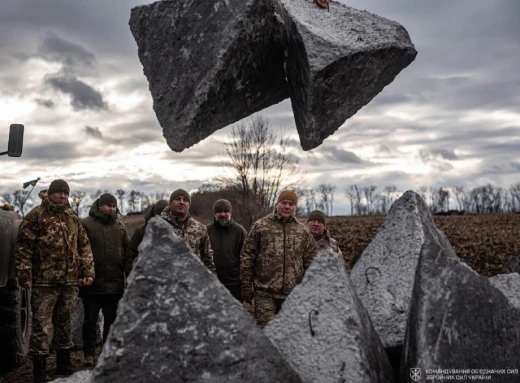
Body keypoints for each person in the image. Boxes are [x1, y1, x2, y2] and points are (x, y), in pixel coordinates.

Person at [15, 179, 95, 382]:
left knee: (65, 322)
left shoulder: (72, 217)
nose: (63, 197)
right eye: (59, 193)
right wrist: (24, 275)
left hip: (69, 282)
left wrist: (88, 272)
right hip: (43, 282)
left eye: (66, 194)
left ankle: (63, 363)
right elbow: (24, 248)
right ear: (50, 193)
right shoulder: (36, 216)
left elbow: (83, 246)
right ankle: (39, 369)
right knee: (41, 326)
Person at [240, 190, 317, 327]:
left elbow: (312, 261)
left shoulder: (303, 231)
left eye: (291, 204)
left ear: (295, 207)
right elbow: (247, 255)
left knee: (290, 334)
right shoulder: (261, 226)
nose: (287, 207)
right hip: (265, 292)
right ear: (277, 204)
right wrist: (246, 284)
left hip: (293, 295)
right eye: (284, 203)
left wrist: (312, 287)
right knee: (267, 333)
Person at [80, 193, 130, 368]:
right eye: (108, 205)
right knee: (90, 321)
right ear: (99, 206)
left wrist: (128, 276)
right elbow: (79, 251)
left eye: (114, 206)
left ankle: (106, 354)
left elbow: (127, 254)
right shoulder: (85, 224)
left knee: (112, 321)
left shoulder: (120, 227)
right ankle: (89, 354)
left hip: (115, 284)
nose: (111, 208)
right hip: (92, 283)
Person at [160, 189, 216, 273]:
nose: (181, 202)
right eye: (178, 199)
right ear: (171, 203)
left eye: (185, 200)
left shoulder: (200, 229)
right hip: (166, 282)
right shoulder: (159, 227)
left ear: (189, 205)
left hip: (193, 282)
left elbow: (208, 258)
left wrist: (212, 281)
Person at [206, 199, 247, 302]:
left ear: (230, 213)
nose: (223, 214)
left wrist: (246, 284)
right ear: (214, 213)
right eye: (219, 211)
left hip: (234, 285)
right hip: (211, 283)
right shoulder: (206, 231)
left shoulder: (240, 231)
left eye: (226, 211)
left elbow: (247, 258)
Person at [127, 199, 169, 275]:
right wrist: (134, 277)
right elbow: (130, 258)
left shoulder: (174, 230)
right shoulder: (141, 231)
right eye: (160, 217)